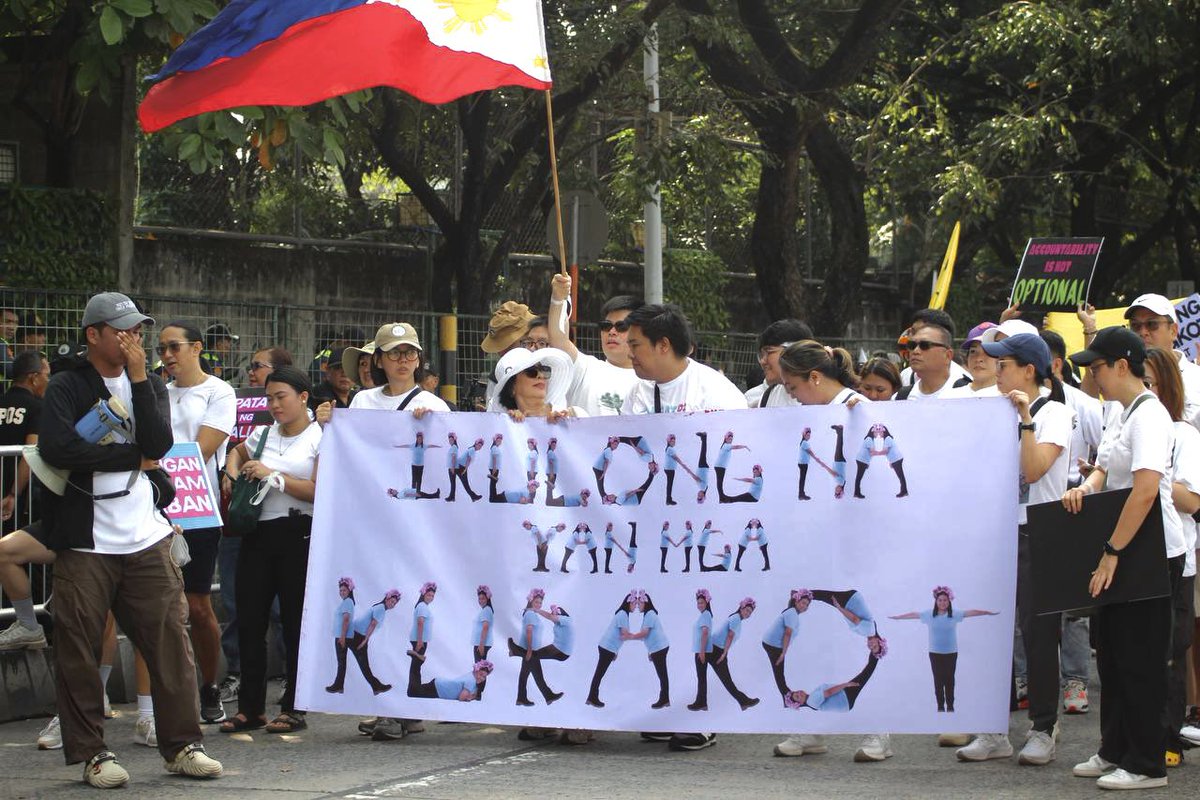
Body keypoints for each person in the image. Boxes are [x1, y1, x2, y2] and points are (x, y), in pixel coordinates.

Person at [39, 291, 222, 786]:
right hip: (85, 539)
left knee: (169, 641)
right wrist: (130, 459)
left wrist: (140, 380)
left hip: (146, 534)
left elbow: (160, 445)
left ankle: (183, 744)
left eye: (137, 330)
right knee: (78, 647)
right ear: (93, 335)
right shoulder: (66, 383)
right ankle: (93, 754)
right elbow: (59, 448)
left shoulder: (150, 382)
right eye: (122, 330)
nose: (133, 339)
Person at [1063, 326, 1180, 789]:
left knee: (1141, 659)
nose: (1093, 377)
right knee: (1109, 655)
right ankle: (1114, 749)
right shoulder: (1119, 411)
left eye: (1097, 368)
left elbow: (1146, 489)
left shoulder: (1150, 416)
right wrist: (1085, 488)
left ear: (1121, 366)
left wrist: (1113, 551)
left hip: (1148, 549)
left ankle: (1147, 763)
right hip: (1121, 544)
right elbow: (1106, 469)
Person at [953, 333, 1075, 765]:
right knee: (989, 630)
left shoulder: (1055, 411)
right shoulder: (989, 408)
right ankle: (992, 728)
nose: (995, 370)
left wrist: (1024, 418)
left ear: (1028, 369)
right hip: (993, 530)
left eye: (1003, 364)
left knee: (1039, 633)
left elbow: (1035, 467)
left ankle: (1044, 726)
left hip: (1038, 531)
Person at [219, 366, 320, 736]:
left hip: (298, 532)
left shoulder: (319, 437)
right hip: (258, 532)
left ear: (303, 397)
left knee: (294, 621)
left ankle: (294, 705)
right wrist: (230, 474)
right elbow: (236, 450)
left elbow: (318, 489)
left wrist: (272, 476)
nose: (274, 405)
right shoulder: (262, 434)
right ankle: (250, 707)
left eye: (282, 397)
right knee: (249, 619)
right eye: (270, 398)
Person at [159, 320, 238, 725]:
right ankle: (159, 699)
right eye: (162, 349)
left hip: (196, 509)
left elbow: (202, 449)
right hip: (152, 508)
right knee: (154, 605)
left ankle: (210, 684)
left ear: (197, 348)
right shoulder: (155, 391)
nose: (167, 355)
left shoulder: (219, 391)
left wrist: (153, 462)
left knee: (197, 604)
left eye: (174, 347)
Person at [1140, 346, 1199, 767]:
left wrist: (1150, 474)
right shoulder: (1123, 427)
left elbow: (1192, 500)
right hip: (1132, 559)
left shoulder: (1184, 434)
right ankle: (1130, 738)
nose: (1140, 391)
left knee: (1170, 652)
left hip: (1176, 559)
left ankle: (1168, 739)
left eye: (1148, 383)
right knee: (1133, 653)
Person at [0, 352, 50, 651]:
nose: (48, 379)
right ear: (33, 377)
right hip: (18, 500)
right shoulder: (37, 407)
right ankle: (34, 621)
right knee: (25, 560)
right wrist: (13, 495)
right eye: (45, 374)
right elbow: (29, 456)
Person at [889, 588, 1000, 717]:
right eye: (940, 600)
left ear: (949, 601)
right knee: (938, 679)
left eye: (945, 600)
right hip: (935, 653)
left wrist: (987, 612)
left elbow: (971, 612)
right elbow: (914, 614)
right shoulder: (929, 615)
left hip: (951, 653)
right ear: (936, 601)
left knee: (949, 679)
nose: (942, 602)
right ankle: (940, 707)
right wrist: (898, 617)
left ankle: (951, 706)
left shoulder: (955, 614)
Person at [547, 274, 643, 415]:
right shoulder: (585, 368)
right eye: (606, 326)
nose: (611, 332)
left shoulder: (653, 382)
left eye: (621, 326)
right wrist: (558, 299)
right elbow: (558, 339)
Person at [330, 323, 449, 419]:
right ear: (378, 360)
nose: (403, 360)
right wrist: (328, 424)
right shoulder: (362, 401)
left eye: (411, 352)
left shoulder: (435, 407)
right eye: (394, 353)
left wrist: (433, 426)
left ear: (418, 360)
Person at [695, 597, 759, 711]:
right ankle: (701, 703)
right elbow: (730, 635)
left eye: (750, 612)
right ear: (741, 608)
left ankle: (743, 701)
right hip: (711, 649)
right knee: (703, 677)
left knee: (726, 680)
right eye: (747, 610)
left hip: (716, 650)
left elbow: (729, 636)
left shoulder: (737, 620)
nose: (748, 613)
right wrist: (724, 653)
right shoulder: (736, 618)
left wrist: (724, 653)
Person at [586, 590, 640, 708]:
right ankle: (592, 697)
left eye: (637, 604)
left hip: (608, 647)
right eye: (634, 604)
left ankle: (592, 697)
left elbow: (619, 635)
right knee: (599, 674)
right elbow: (624, 634)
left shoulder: (623, 614)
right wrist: (638, 636)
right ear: (628, 603)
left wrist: (615, 651)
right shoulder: (622, 614)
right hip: (607, 648)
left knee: (599, 673)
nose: (635, 606)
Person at [745, 319, 812, 407]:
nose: (762, 361)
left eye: (769, 352)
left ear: (795, 350)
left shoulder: (826, 396)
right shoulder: (766, 397)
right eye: (761, 355)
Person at [621, 591, 670, 709]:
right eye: (637, 604)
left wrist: (630, 636)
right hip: (657, 648)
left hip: (660, 648)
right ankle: (665, 699)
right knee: (662, 675)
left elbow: (644, 633)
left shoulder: (650, 615)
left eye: (640, 603)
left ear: (646, 603)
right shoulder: (648, 615)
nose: (638, 606)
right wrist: (650, 651)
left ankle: (664, 699)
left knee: (662, 675)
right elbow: (647, 636)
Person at [898, 309, 970, 387]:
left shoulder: (964, 388)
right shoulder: (904, 378)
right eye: (912, 332)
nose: (913, 337)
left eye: (925, 344)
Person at [894, 323, 959, 399]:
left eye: (925, 345)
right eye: (912, 345)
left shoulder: (967, 395)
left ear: (948, 355)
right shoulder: (901, 398)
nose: (915, 351)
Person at [946, 322, 1000, 397]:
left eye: (988, 351)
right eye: (973, 351)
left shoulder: (1011, 399)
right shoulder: (950, 397)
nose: (978, 359)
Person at [408, 660, 493, 702]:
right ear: (476, 670)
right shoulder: (471, 681)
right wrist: (470, 698)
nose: (481, 678)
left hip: (439, 684)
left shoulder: (471, 676)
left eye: (484, 677)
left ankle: (417, 662)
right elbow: (461, 698)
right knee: (413, 693)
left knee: (415, 691)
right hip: (439, 689)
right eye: (480, 674)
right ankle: (416, 662)